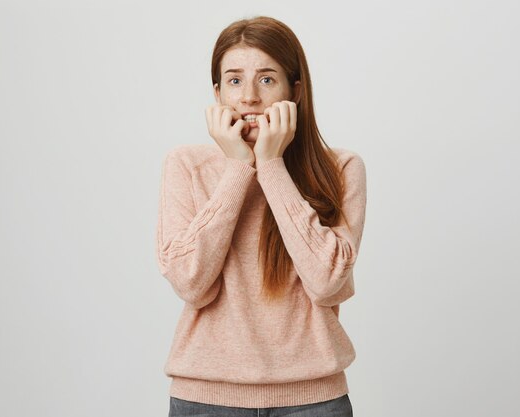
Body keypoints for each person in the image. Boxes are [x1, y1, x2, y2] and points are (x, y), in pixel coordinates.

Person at [155, 15, 366, 416]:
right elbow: (190, 283)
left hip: (313, 400)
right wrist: (238, 169)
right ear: (217, 93)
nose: (249, 97)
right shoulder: (186, 165)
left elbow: (327, 283)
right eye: (234, 81)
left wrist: (270, 164)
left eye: (267, 79)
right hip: (205, 399)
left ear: (296, 90)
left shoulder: (341, 168)